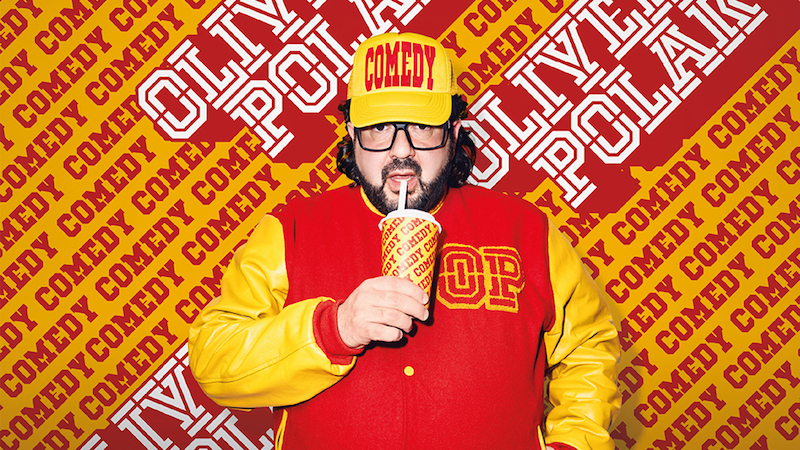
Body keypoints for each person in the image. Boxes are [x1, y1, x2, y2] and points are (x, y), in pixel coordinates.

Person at [188, 32, 621, 450]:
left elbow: (589, 350)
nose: (401, 151)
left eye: (422, 126)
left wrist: (573, 445)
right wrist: (335, 329)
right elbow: (214, 361)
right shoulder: (291, 230)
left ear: (453, 132)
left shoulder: (527, 230)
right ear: (352, 134)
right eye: (379, 128)